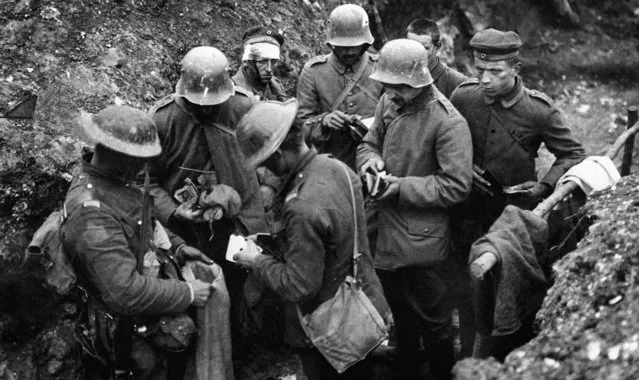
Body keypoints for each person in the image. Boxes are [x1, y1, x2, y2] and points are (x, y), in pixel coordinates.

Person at [60, 105, 232, 379]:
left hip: (146, 298)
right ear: (121, 156)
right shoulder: (91, 216)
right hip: (125, 328)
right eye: (139, 159)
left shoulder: (115, 182)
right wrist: (188, 293)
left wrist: (177, 248)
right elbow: (124, 293)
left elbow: (144, 222)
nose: (143, 167)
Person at [449, 28, 586, 359]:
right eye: (480, 70)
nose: (485, 79)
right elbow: (445, 142)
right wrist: (463, 170)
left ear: (515, 69)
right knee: (466, 291)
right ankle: (469, 360)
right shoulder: (463, 98)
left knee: (512, 287)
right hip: (465, 215)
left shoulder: (538, 110)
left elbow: (573, 153)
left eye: (495, 72)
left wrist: (544, 186)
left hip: (513, 221)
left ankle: (510, 358)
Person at [233, 99, 392, 380]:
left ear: (279, 152)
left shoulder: (300, 205)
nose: (264, 170)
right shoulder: (335, 167)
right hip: (364, 305)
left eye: (265, 161)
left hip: (327, 326)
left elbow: (299, 286)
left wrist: (255, 260)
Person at [357, 39, 473, 380]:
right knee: (401, 319)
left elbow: (456, 186)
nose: (390, 93)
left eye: (397, 87)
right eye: (387, 86)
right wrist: (371, 163)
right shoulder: (389, 103)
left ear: (417, 82)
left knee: (435, 325)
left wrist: (400, 187)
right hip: (382, 233)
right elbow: (368, 143)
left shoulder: (448, 122)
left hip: (422, 245)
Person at [147, 46, 269, 353]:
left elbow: (268, 158)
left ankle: (243, 347)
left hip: (238, 221)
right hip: (188, 231)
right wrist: (175, 212)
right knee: (199, 290)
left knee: (244, 284)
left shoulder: (243, 106)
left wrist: (262, 198)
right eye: (198, 105)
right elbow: (145, 183)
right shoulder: (162, 121)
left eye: (213, 104)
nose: (206, 110)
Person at [296, 3, 383, 170]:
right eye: (344, 47)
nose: (350, 52)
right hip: (330, 164)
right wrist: (323, 121)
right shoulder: (313, 72)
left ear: (365, 43)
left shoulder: (380, 67)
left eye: (355, 46)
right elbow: (300, 127)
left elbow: (396, 116)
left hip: (374, 163)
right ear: (332, 44)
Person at [406, 18, 468, 98]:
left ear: (437, 47)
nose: (415, 54)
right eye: (411, 47)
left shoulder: (458, 84)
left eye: (424, 48)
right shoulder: (394, 77)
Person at [232, 26, 288, 101]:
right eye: (262, 61)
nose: (269, 69)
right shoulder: (232, 92)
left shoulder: (276, 86)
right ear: (248, 61)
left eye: (273, 61)